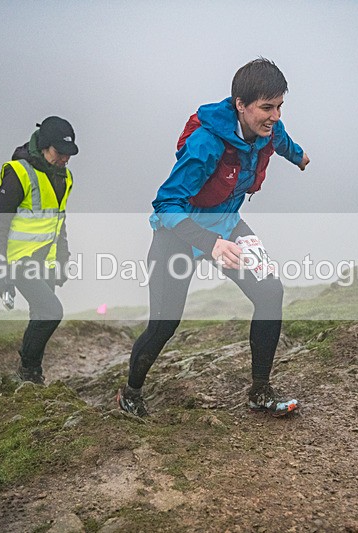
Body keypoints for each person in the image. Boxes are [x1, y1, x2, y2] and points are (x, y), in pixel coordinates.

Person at [117, 58, 310, 417]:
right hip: (179, 234)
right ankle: (131, 393)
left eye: (280, 106)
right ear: (240, 104)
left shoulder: (268, 129)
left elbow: (281, 140)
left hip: (226, 225)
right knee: (164, 323)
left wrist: (299, 157)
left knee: (270, 292)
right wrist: (210, 243)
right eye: (267, 107)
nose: (275, 116)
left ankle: (260, 392)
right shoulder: (206, 143)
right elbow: (166, 203)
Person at [0, 116, 78, 384]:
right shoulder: (18, 173)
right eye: (60, 153)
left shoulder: (65, 177)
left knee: (40, 315)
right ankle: (27, 371)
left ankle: (31, 375)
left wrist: (62, 260)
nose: (65, 159)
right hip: (18, 260)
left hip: (46, 262)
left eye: (69, 154)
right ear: (45, 146)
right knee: (52, 312)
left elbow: (58, 222)